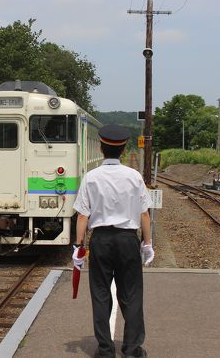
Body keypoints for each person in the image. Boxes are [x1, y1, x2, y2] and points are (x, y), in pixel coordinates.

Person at [72, 124, 154, 358]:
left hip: (101, 241)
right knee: (132, 294)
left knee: (100, 293)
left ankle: (105, 350)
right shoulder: (134, 176)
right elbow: (144, 214)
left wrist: (79, 246)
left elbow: (82, 216)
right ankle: (132, 349)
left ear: (100, 147)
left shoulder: (91, 177)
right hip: (128, 240)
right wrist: (147, 244)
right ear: (124, 149)